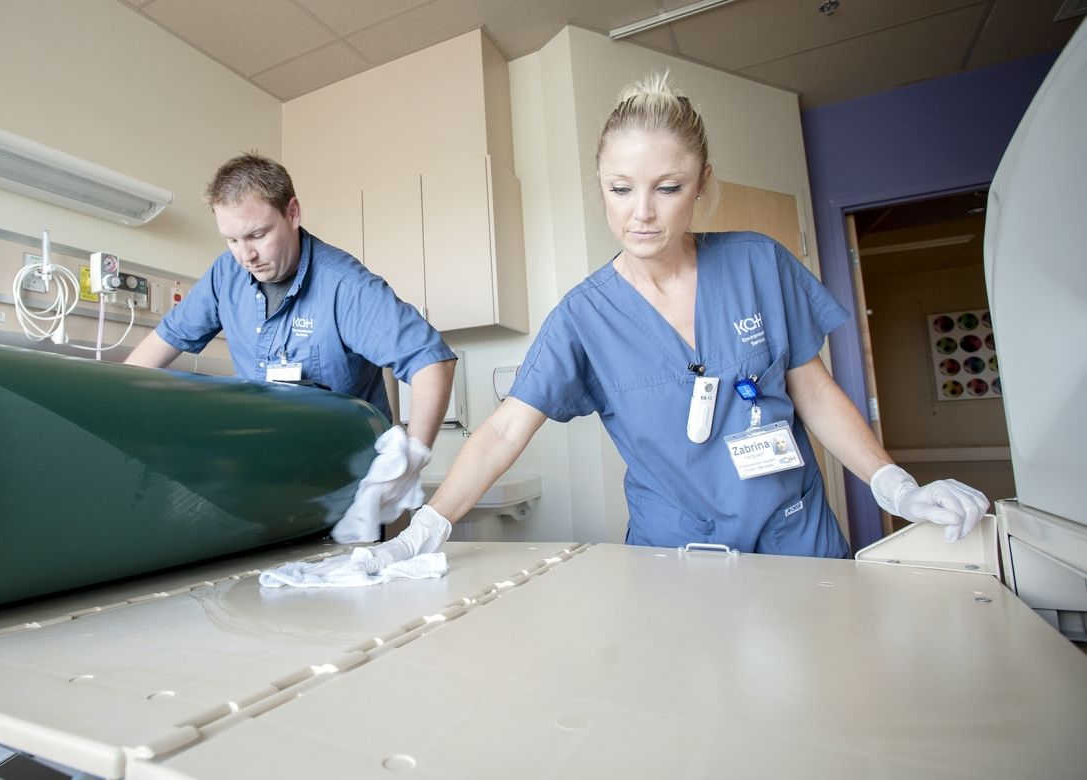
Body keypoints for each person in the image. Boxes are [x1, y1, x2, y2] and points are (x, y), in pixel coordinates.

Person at [342, 73, 989, 572]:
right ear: (601, 185)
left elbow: (813, 390)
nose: (642, 213)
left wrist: (894, 486)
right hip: (676, 555)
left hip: (798, 538)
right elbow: (505, 429)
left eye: (668, 187)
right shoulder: (583, 317)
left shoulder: (759, 263)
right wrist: (423, 531)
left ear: (703, 183)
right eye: (621, 188)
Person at [125, 153, 457, 542]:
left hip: (344, 485)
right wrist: (118, 413)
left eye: (257, 235)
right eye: (232, 240)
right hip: (265, 477)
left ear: (293, 213)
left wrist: (411, 459)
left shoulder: (344, 287)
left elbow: (432, 362)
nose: (245, 256)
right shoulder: (225, 275)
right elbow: (155, 351)